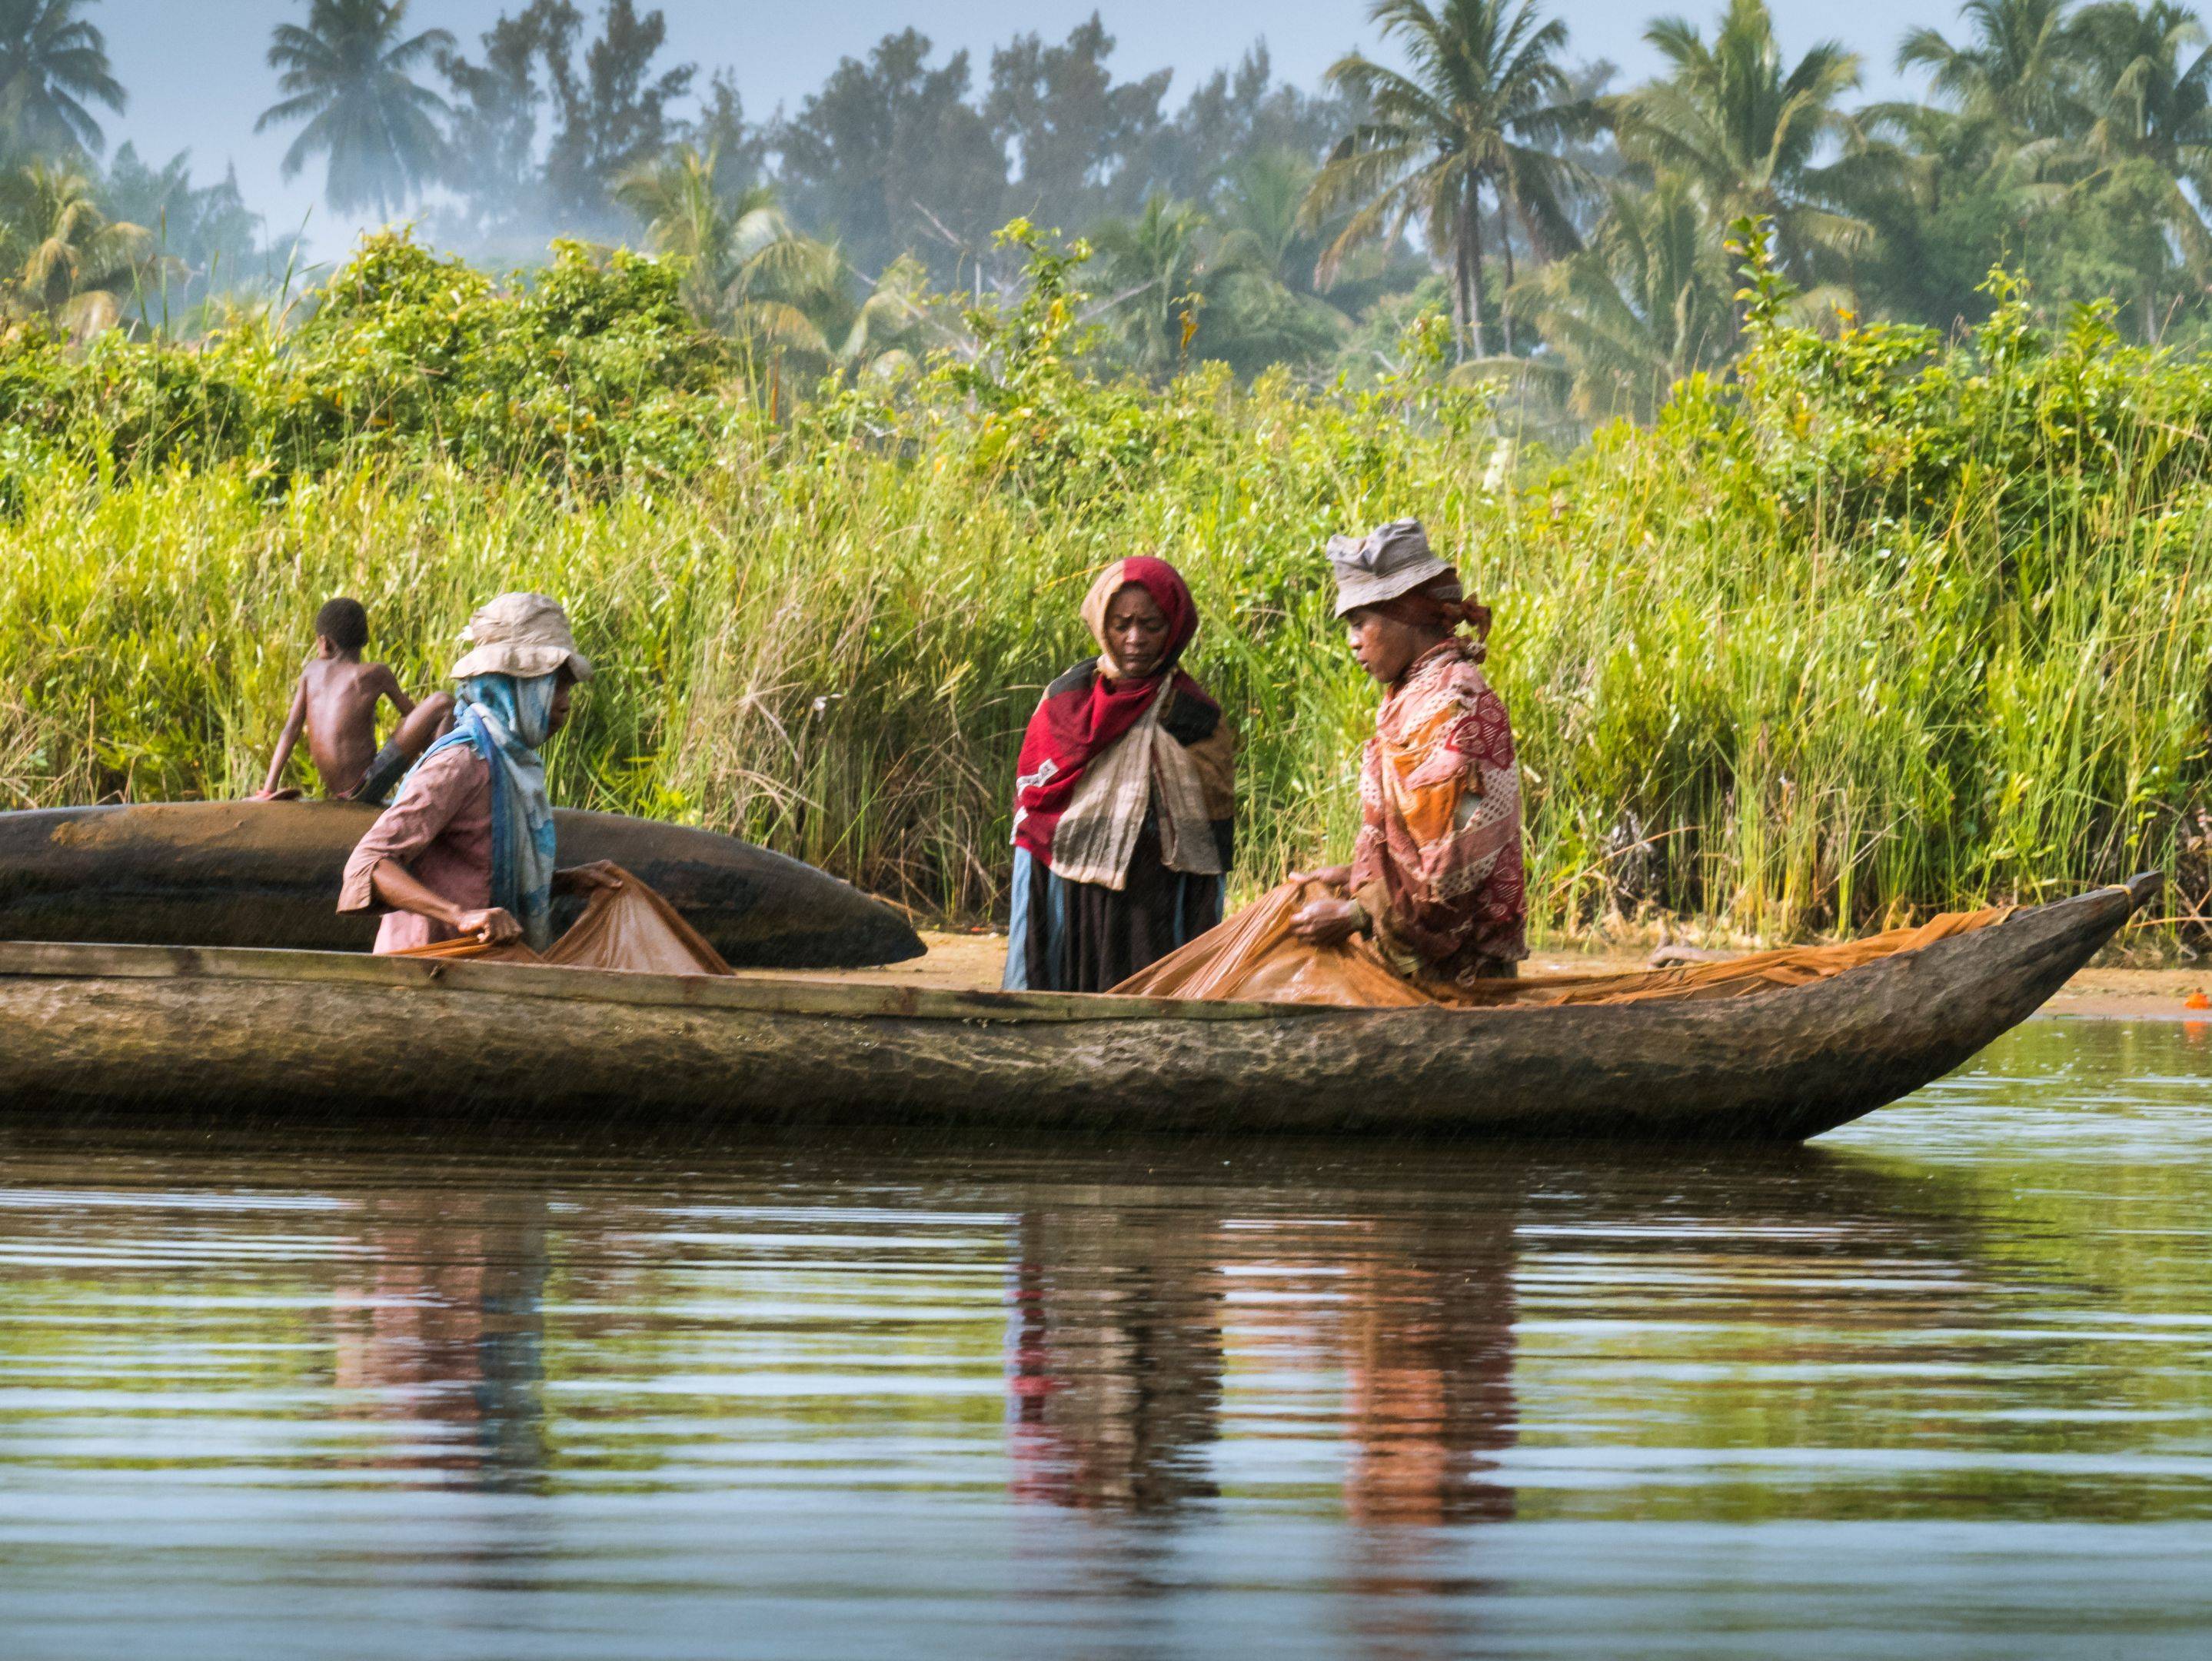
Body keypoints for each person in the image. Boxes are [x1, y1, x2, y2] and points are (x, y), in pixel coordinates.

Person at [1290, 518, 1527, 987]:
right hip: (1430, 962)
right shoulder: (1415, 695)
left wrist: (1359, 912)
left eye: (1360, 622)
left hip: (1461, 976)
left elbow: (1457, 860)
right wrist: (1356, 874)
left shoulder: (1452, 708)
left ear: (1406, 615)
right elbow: (1428, 844)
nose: (1353, 641)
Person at [338, 592, 619, 954]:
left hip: (479, 969)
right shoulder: (461, 761)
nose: (564, 702)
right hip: (427, 970)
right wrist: (460, 915)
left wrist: (567, 882)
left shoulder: (514, 764)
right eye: (553, 684)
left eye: (568, 687)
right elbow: (369, 864)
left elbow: (481, 870)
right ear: (510, 684)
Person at [1003, 556, 1235, 992]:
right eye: (1121, 624)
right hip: (1069, 889)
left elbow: (1209, 831)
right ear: (1101, 624)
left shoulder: (1195, 717)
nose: (1135, 639)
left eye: (1151, 625)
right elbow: (1034, 813)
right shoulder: (1065, 702)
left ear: (1175, 629)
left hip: (1155, 896)